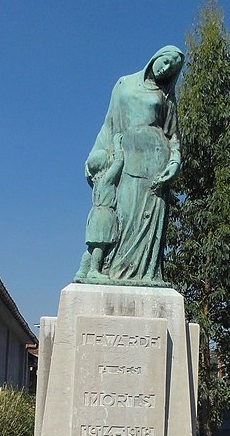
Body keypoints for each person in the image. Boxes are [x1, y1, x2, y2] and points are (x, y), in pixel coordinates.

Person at [84, 46, 184, 285]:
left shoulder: (166, 97)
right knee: (123, 216)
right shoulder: (124, 84)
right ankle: (110, 269)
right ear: (156, 57)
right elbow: (109, 124)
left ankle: (146, 274)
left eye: (173, 66)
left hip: (157, 164)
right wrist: (96, 155)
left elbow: (174, 136)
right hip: (127, 158)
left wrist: (175, 160)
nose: (167, 67)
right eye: (166, 60)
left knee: (148, 221)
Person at [73, 133, 124, 283]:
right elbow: (119, 163)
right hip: (104, 214)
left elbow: (88, 171)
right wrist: (117, 145)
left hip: (95, 214)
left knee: (92, 246)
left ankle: (82, 271)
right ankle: (94, 271)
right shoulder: (106, 179)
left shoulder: (95, 182)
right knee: (100, 246)